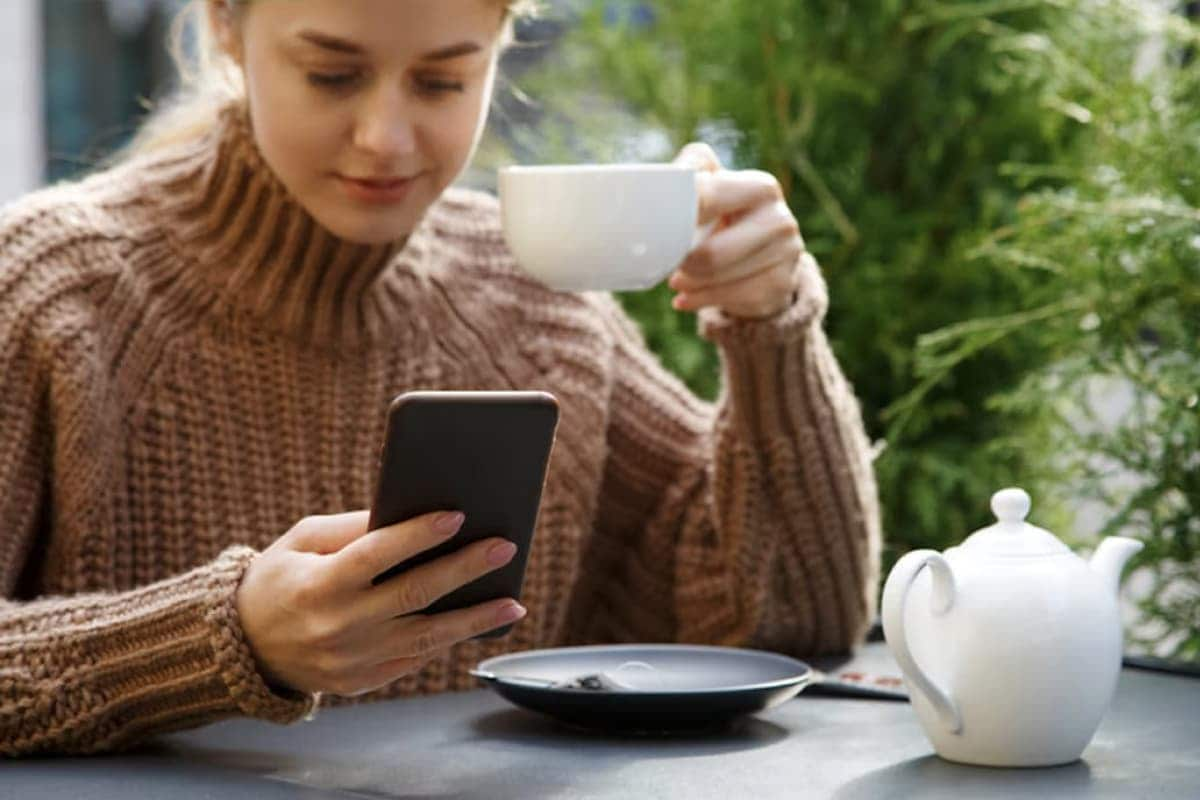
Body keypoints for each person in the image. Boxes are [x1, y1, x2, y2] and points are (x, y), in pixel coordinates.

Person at [0, 0, 881, 757]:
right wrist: (220, 641)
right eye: (331, 75)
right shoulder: (52, 296)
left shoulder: (538, 309)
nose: (384, 138)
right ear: (225, 26)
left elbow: (790, 625)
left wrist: (771, 327)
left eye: (442, 82)